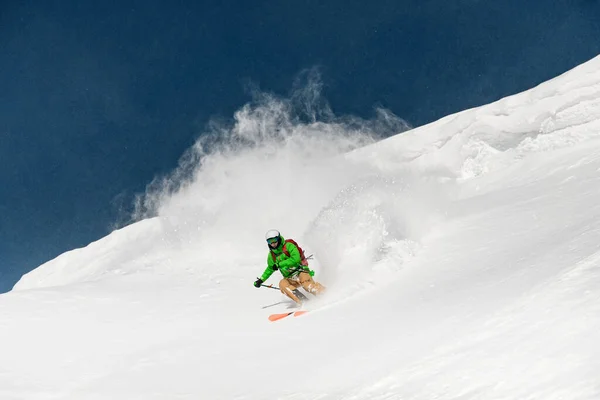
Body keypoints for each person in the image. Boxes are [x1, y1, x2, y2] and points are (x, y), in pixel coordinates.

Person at [254, 229, 325, 304]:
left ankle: (324, 294)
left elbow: (296, 258)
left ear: (278, 238)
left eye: (274, 240)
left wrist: (280, 264)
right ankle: (303, 302)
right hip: (290, 278)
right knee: (282, 284)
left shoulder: (288, 246)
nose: (273, 243)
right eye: (269, 241)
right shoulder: (272, 255)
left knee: (307, 286)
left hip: (301, 272)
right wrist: (261, 280)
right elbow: (270, 268)